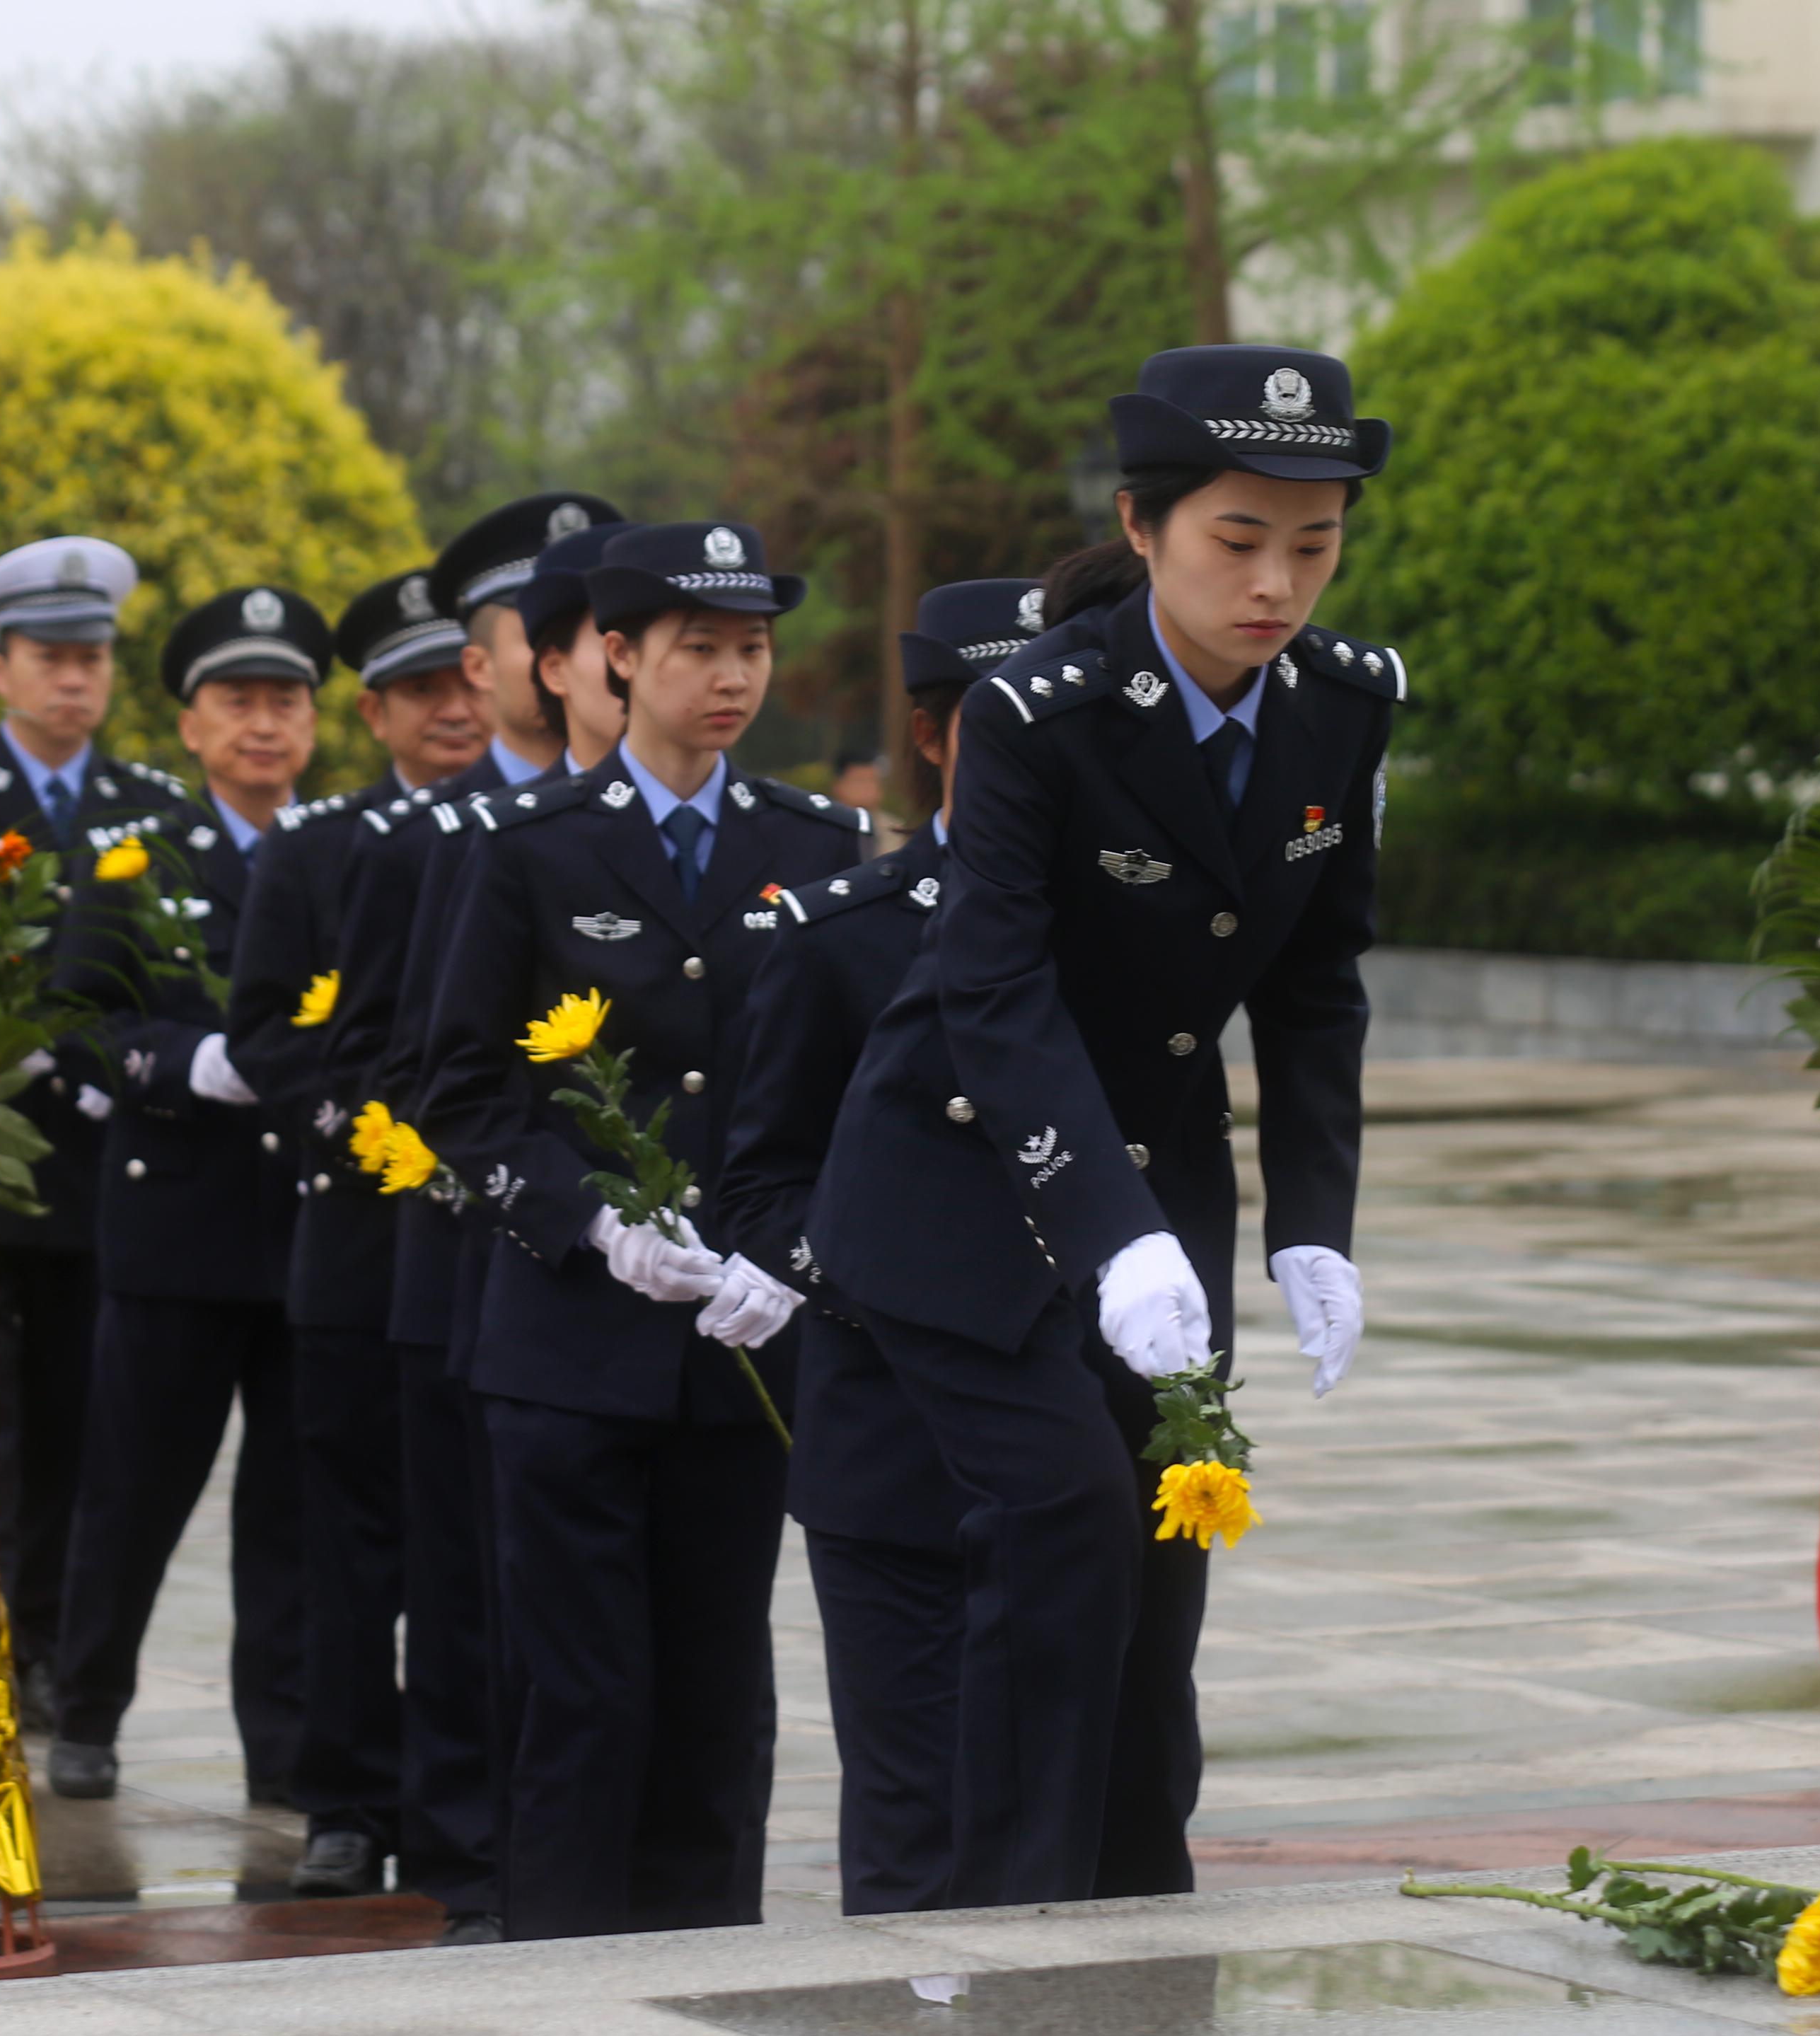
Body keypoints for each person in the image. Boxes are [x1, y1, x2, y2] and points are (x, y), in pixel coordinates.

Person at [804, 345, 1398, 1911]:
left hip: (1160, 1178)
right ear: (1142, 526)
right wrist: (1109, 1232)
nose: (1277, 585)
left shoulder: (1344, 706)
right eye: (1238, 539)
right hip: (957, 1181)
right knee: (1064, 1510)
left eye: (1316, 545)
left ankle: (1135, 1913)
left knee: (1158, 1558)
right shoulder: (1037, 711)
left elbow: (1319, 981)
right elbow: (993, 989)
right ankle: (1008, 1919)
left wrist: (1315, 1222)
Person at [415, 516, 874, 1940]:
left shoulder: (816, 843)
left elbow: (851, 1089)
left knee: (719, 1689)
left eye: (753, 650)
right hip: (567, 1343)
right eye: (699, 649)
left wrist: (794, 1255)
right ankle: (563, 1973)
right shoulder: (529, 849)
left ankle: (708, 1963)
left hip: (740, 1344)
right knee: (580, 1690)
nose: (732, 678)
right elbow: (459, 1093)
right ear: (615, 656)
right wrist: (589, 1218)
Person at [716, 575, 1037, 1911]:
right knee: (914, 1818)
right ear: (931, 735)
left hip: (1071, 1427)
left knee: (1077, 1801)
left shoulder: (1116, 927)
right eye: (998, 721)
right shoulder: (842, 934)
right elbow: (760, 1190)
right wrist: (897, 1282)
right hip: (895, 1432)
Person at [339, 494, 622, 1944]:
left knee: (597, 1606)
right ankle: (465, 1860)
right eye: (548, 631)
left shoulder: (680, 830)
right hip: (466, 1262)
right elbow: (385, 1063)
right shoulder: (435, 840)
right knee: (464, 1585)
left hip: (639, 1281)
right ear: (501, 661)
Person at [228, 564, 489, 1897]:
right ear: (374, 713)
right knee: (346, 1545)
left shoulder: (523, 828)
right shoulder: (320, 848)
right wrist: (372, 1132)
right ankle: (342, 1797)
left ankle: (461, 1795)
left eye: (463, 681)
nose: (451, 709)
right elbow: (270, 1038)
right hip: (356, 1242)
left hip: (487, 1251)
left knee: (470, 1549)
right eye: (418, 690)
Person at [44, 584, 329, 1806]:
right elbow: (76, 1021)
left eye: (286, 703)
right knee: (133, 1493)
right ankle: (86, 1707)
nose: (264, 726)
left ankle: (285, 1747)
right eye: (239, 703)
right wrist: (183, 1063)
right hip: (176, 1222)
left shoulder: (343, 851)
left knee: (292, 1513)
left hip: (308, 1229)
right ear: (192, 724)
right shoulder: (136, 858)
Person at [0, 536, 186, 1728]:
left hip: (103, 1171)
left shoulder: (154, 810)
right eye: (51, 657)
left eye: (92, 658)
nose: (75, 678)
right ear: (1, 670)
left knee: (87, 1431)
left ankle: (53, 1645)